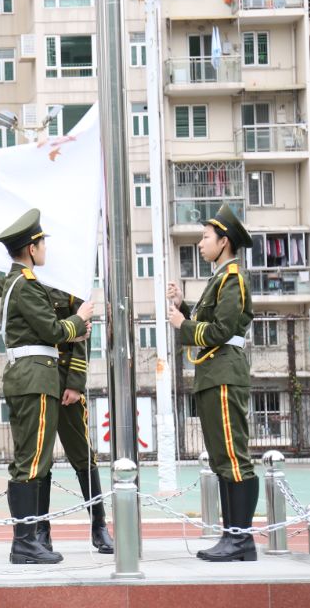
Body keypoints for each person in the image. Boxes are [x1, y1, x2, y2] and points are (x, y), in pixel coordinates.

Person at [0, 256, 113, 554]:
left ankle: (98, 526)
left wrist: (75, 382)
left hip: (65, 381)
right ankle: (39, 531)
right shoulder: (25, 282)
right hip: (36, 378)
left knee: (83, 456)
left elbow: (82, 336)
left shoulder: (68, 281)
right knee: (38, 458)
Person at [0, 209, 93, 565]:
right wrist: (80, 320)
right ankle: (24, 543)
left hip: (30, 374)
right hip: (35, 376)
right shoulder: (27, 285)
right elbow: (52, 330)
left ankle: (28, 540)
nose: (45, 249)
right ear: (31, 248)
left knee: (30, 459)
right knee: (32, 461)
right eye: (41, 243)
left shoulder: (15, 282)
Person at [167, 203, 257, 562]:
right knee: (222, 459)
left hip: (223, 374)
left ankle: (241, 540)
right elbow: (213, 323)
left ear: (224, 242)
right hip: (212, 373)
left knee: (233, 458)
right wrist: (184, 307)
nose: (201, 242)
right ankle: (232, 536)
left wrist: (182, 325)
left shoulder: (233, 279)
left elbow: (221, 331)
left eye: (206, 237)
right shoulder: (219, 279)